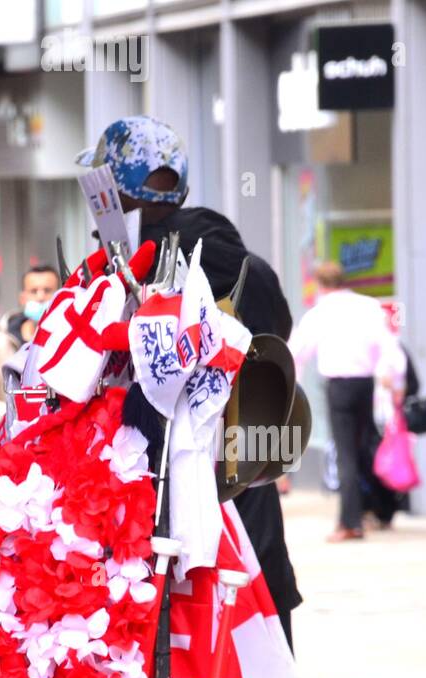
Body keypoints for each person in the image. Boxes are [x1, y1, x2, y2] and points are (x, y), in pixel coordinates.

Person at [78, 115, 303, 649]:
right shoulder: (236, 257)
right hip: (240, 478)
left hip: (156, 499)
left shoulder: (122, 268)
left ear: (113, 187)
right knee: (257, 658)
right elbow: (276, 336)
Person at [289, 261, 406, 541]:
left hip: (339, 385)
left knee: (346, 454)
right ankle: (385, 507)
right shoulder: (368, 306)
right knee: (365, 446)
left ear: (320, 284)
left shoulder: (320, 313)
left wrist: (290, 386)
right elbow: (389, 345)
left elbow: (298, 351)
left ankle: (351, 521)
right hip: (365, 383)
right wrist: (395, 379)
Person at [0, 264, 59, 431]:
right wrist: (21, 412)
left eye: (47, 290)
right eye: (33, 291)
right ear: (23, 298)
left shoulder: (71, 343)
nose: (40, 297)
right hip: (14, 449)